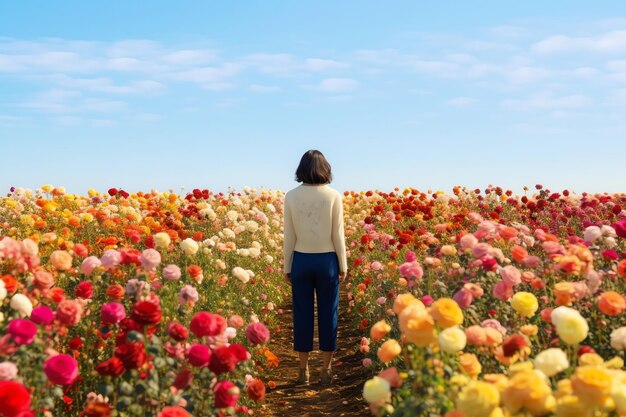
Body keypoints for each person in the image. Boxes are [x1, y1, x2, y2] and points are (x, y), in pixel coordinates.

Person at [283, 149, 347, 386]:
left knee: (302, 313)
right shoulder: (333, 196)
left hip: (301, 259)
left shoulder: (291, 196)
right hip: (327, 260)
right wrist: (343, 263)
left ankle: (303, 371)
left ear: (302, 168)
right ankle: (326, 370)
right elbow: (337, 233)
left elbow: (288, 235)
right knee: (328, 313)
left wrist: (286, 265)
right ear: (325, 169)